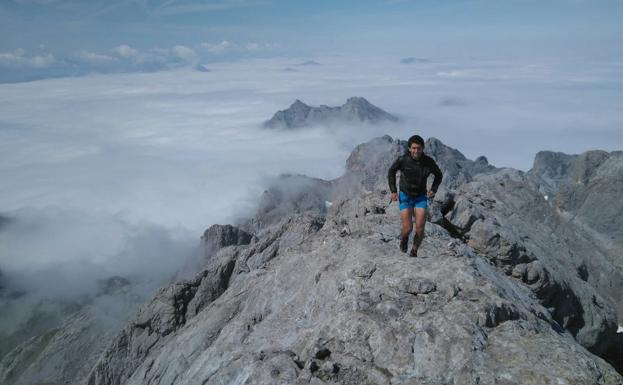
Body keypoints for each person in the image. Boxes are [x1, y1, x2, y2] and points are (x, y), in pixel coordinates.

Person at [388, 135, 443, 257]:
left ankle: (414, 250)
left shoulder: (428, 162)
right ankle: (404, 238)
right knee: (408, 228)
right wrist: (393, 191)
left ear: (423, 148)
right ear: (409, 148)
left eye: (418, 148)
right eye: (413, 148)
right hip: (405, 195)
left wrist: (433, 189)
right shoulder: (403, 159)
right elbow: (391, 171)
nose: (416, 151)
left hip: (420, 197)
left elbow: (439, 175)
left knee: (420, 228)